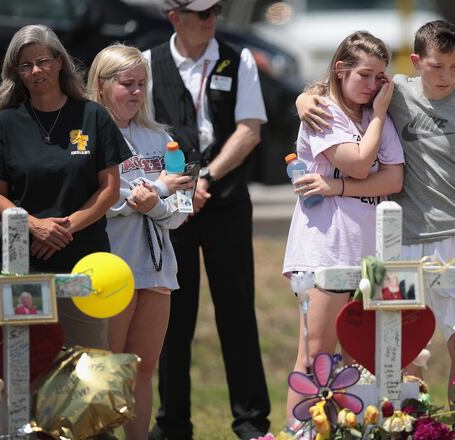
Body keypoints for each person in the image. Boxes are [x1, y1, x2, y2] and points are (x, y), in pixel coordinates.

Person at [297, 20, 455, 403]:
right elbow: (341, 86)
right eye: (437, 66)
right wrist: (305, 97)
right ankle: (412, 427)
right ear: (415, 61)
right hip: (398, 248)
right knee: (404, 352)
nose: (446, 76)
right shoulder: (393, 93)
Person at [143, 1, 271, 438]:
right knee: (172, 316)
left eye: (215, 8)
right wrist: (175, 184)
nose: (211, 16)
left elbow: (250, 129)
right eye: (200, 11)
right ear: (174, 15)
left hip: (226, 198)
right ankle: (173, 423)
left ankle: (252, 423)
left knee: (237, 311)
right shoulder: (147, 63)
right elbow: (139, 130)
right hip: (169, 201)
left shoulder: (240, 60)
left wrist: (207, 178)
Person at [0, 24, 131, 349]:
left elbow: (109, 189)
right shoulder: (5, 123)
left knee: (85, 368)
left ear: (59, 61)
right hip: (23, 262)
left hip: (85, 263)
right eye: (25, 65)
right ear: (16, 73)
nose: (36, 70)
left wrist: (63, 230)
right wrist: (33, 225)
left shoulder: (94, 116)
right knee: (22, 364)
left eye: (43, 61)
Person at [282, 30, 403, 434]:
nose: (372, 87)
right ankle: (303, 432)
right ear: (340, 69)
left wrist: (339, 188)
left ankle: (348, 431)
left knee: (356, 359)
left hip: (367, 253)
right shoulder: (322, 112)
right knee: (316, 355)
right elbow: (356, 162)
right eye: (365, 76)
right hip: (325, 248)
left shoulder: (371, 116)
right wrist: (382, 116)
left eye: (380, 79)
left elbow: (393, 180)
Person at [87, 43, 192, 440]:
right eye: (126, 83)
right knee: (108, 365)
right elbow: (94, 199)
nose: (135, 92)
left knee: (142, 369)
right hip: (111, 265)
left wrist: (154, 204)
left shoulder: (161, 138)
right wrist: (150, 194)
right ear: (102, 84)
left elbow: (180, 212)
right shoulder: (88, 134)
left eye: (141, 84)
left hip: (157, 269)